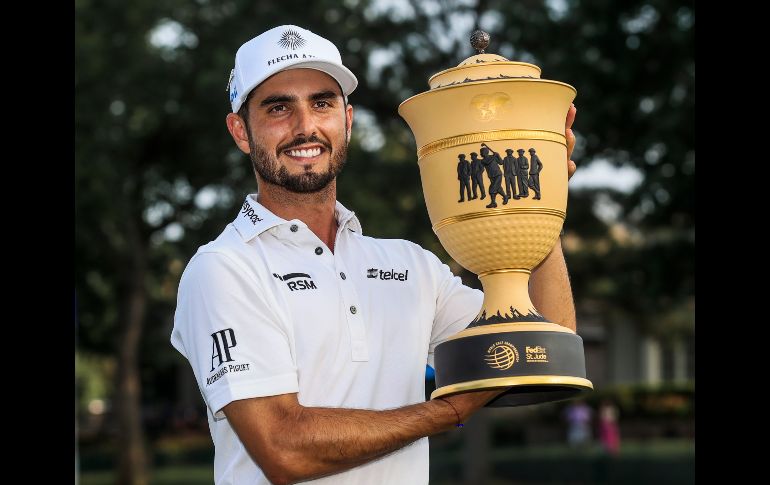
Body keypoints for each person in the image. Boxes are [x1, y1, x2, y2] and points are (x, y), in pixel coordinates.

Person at [171, 24, 579, 485]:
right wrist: (447, 411)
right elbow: (282, 447)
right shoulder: (223, 268)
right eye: (278, 108)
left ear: (347, 120)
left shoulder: (411, 266)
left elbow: (549, 342)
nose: (305, 127)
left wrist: (539, 202)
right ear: (240, 131)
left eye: (321, 103)